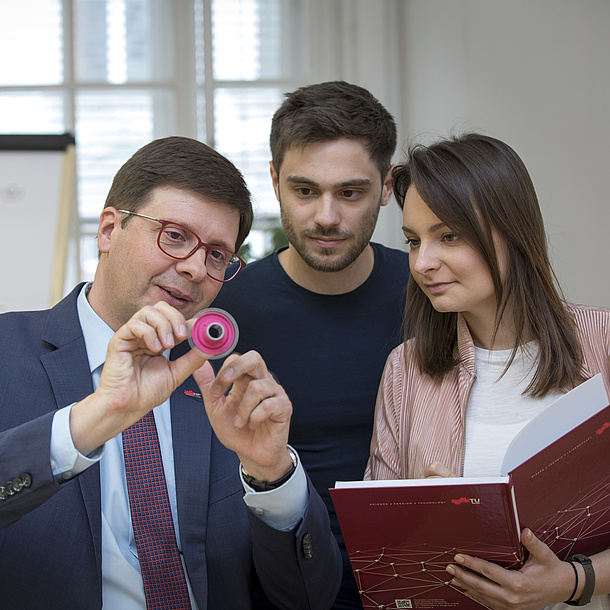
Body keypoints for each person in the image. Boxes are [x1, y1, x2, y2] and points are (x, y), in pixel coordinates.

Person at [0, 136, 342, 609]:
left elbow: (309, 598)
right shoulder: (7, 354)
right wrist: (97, 416)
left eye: (217, 254)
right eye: (175, 235)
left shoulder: (227, 387)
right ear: (107, 230)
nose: (195, 267)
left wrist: (271, 475)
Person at [365, 132, 610, 609]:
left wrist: (571, 582)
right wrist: (416, 520)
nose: (423, 263)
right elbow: (380, 560)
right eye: (414, 241)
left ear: (511, 231)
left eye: (449, 236)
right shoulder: (406, 371)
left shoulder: (602, 343)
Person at [212, 80, 410, 608]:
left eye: (350, 192)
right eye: (305, 191)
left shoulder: (432, 292)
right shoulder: (225, 313)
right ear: (274, 181)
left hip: (418, 579)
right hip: (275, 586)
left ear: (388, 186)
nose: (326, 216)